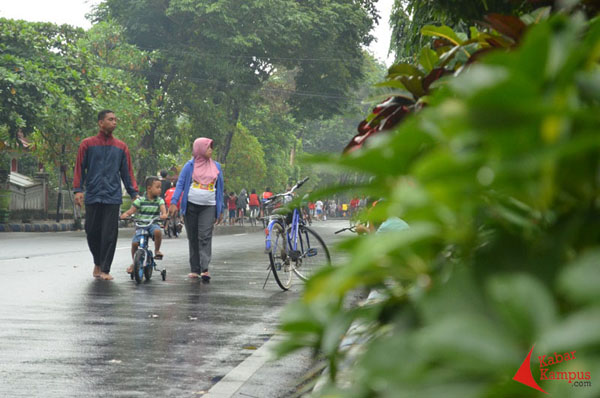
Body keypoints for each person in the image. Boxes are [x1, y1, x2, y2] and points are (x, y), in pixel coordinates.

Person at [73, 109, 138, 281]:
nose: (114, 122)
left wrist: (134, 193)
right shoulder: (87, 144)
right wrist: (78, 190)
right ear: (101, 122)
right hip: (93, 194)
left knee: (109, 233)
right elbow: (79, 168)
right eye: (110, 119)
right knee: (91, 231)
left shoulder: (121, 147)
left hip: (112, 195)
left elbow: (127, 173)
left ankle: (105, 269)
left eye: (116, 119)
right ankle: (98, 262)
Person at [168, 137, 224, 280]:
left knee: (204, 236)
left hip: (208, 206)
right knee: (193, 237)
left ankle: (204, 268)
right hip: (191, 206)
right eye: (208, 147)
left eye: (211, 147)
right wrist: (174, 202)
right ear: (200, 149)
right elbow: (180, 184)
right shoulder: (189, 166)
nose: (211, 150)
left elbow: (220, 189)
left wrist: (220, 209)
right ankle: (194, 268)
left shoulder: (216, 167)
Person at [120, 177, 168, 273]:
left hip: (152, 224)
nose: (160, 190)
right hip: (141, 225)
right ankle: (135, 263)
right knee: (134, 244)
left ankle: (157, 250)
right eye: (157, 187)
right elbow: (132, 210)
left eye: (160, 188)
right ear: (149, 188)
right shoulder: (140, 200)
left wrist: (164, 215)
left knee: (158, 231)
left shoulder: (159, 200)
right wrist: (126, 214)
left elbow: (163, 209)